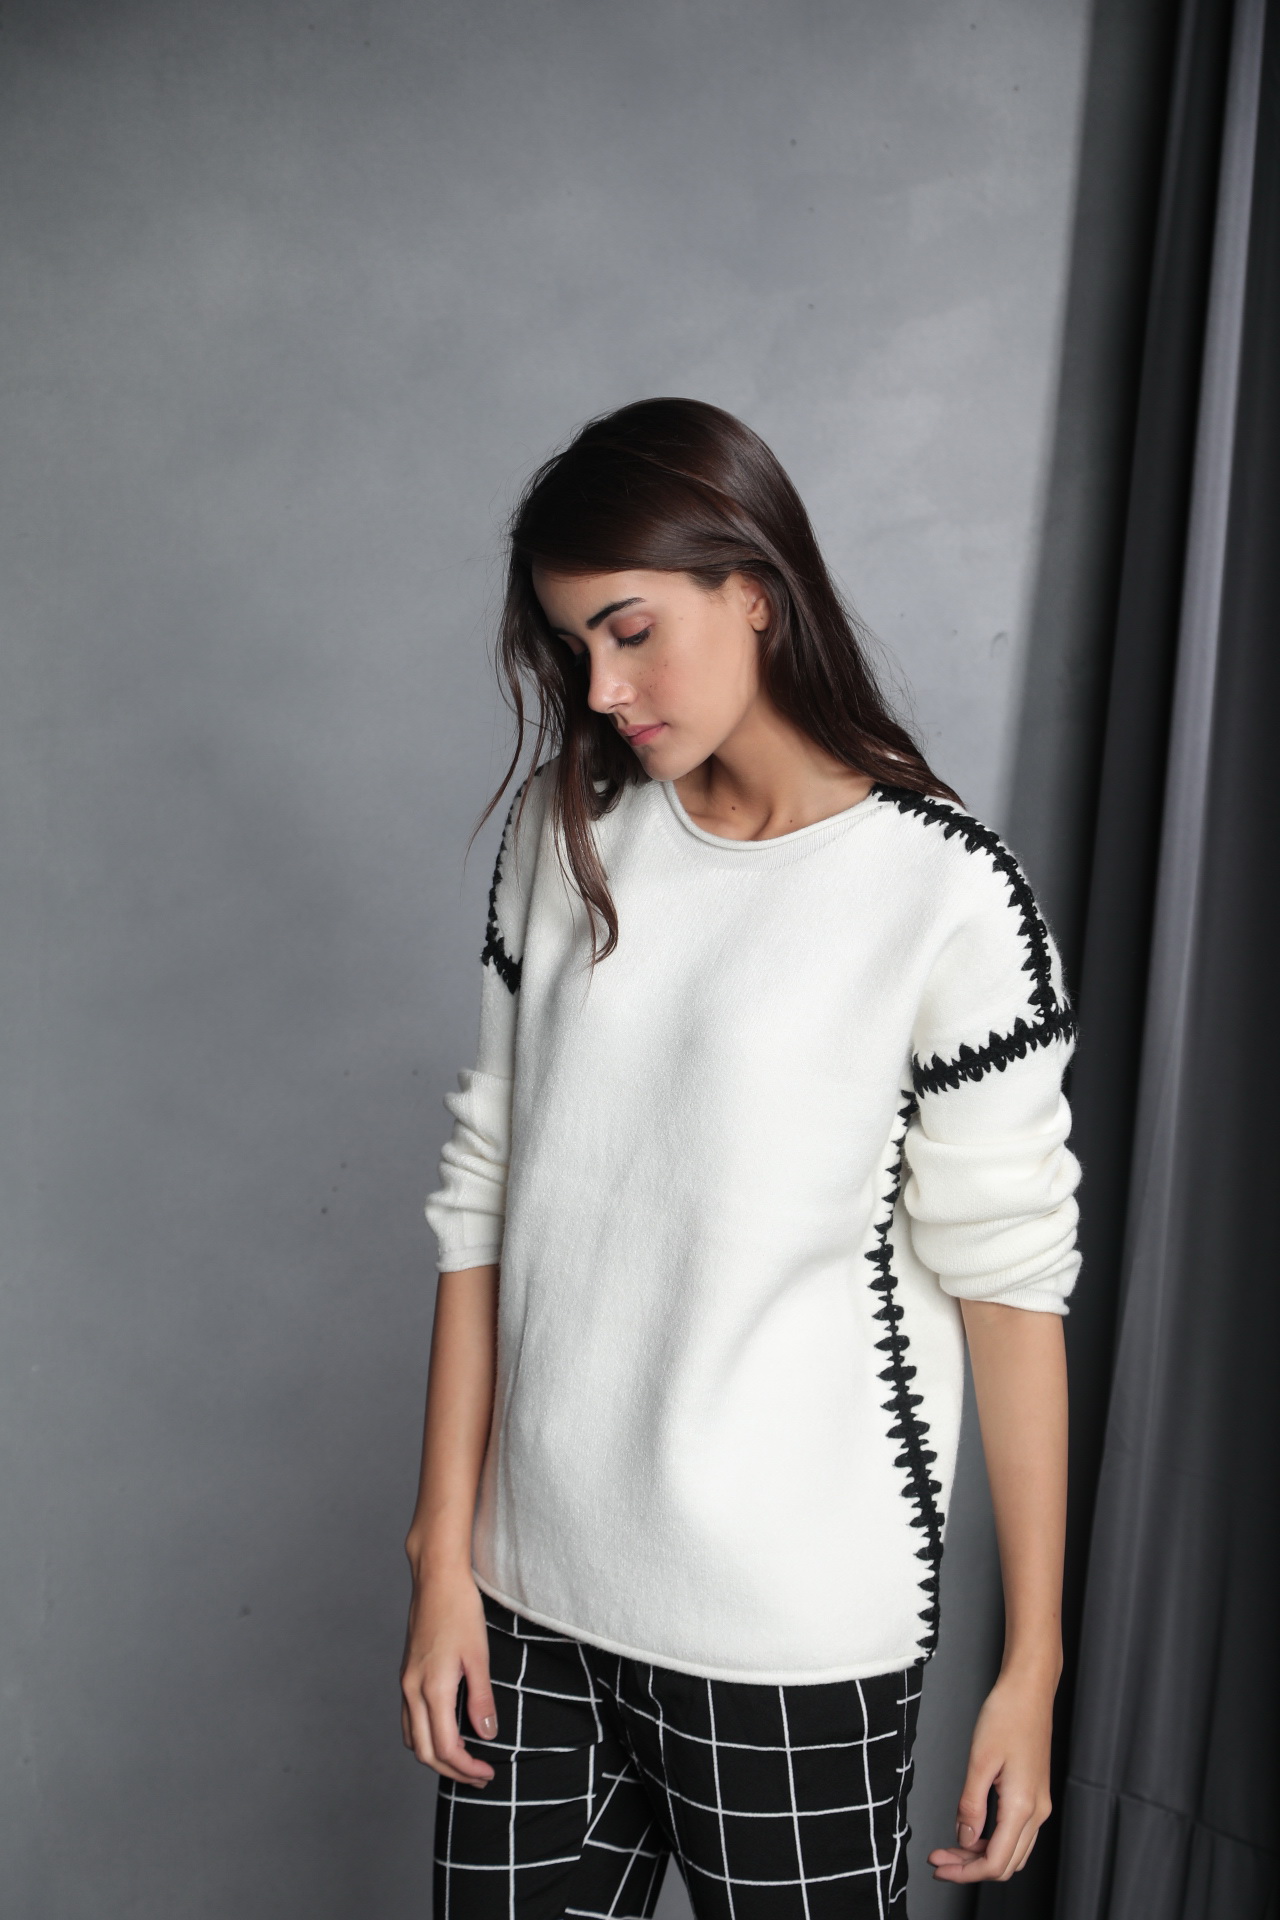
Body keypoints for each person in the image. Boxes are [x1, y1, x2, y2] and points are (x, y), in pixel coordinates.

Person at [402, 397, 1079, 1917]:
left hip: (789, 1636)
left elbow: (1012, 1287)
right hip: (525, 1605)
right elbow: (482, 1195)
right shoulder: (569, 835)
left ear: (755, 592)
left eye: (632, 631)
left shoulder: (949, 896)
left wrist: (1032, 1667)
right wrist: (444, 1558)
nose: (603, 688)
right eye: (573, 646)